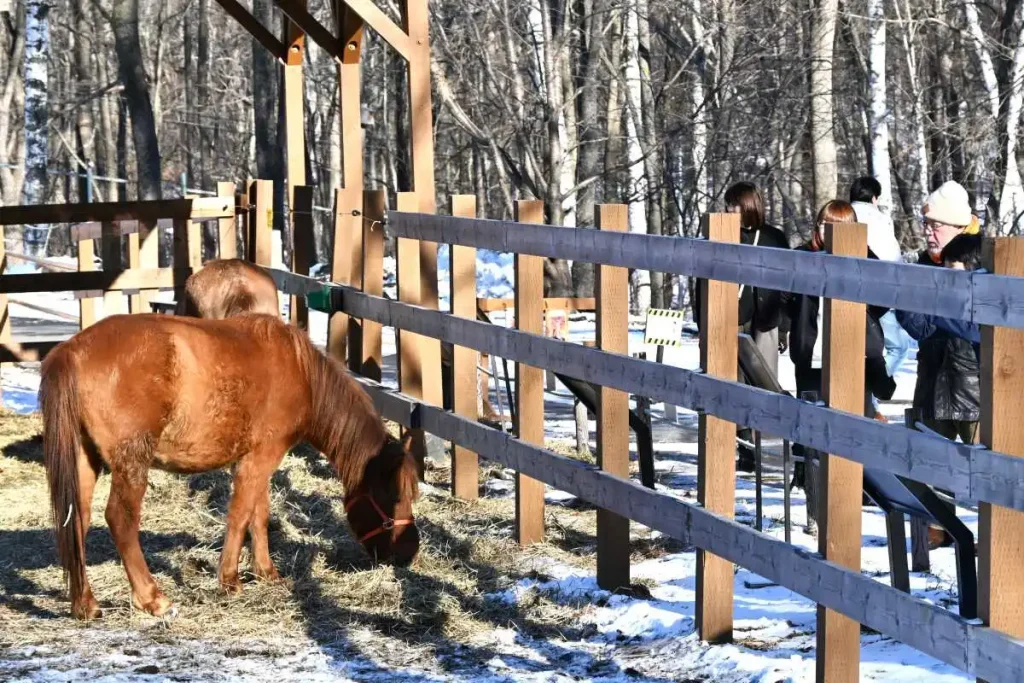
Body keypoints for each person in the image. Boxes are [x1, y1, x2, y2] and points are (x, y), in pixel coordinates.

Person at [783, 200, 896, 491]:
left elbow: (885, 295)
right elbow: (783, 297)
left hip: (853, 354)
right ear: (817, 226)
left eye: (841, 226)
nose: (831, 232)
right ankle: (810, 484)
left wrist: (863, 313)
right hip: (812, 352)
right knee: (809, 421)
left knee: (854, 422)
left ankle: (859, 487)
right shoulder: (802, 256)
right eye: (826, 224)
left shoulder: (864, 257)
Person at [694, 181, 790, 472]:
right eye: (727, 203)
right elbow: (702, 282)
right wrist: (704, 325)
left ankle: (760, 443)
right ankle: (741, 445)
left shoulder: (773, 237)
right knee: (729, 382)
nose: (728, 209)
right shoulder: (720, 234)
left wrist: (783, 327)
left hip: (766, 319)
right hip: (727, 318)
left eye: (734, 204)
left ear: (749, 205)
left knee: (762, 382)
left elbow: (786, 284)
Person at [849, 176, 912, 405]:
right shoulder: (881, 220)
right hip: (881, 294)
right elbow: (892, 257)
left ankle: (865, 395)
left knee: (855, 348)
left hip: (848, 294)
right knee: (898, 347)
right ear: (874, 197)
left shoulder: (843, 215)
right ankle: (872, 396)